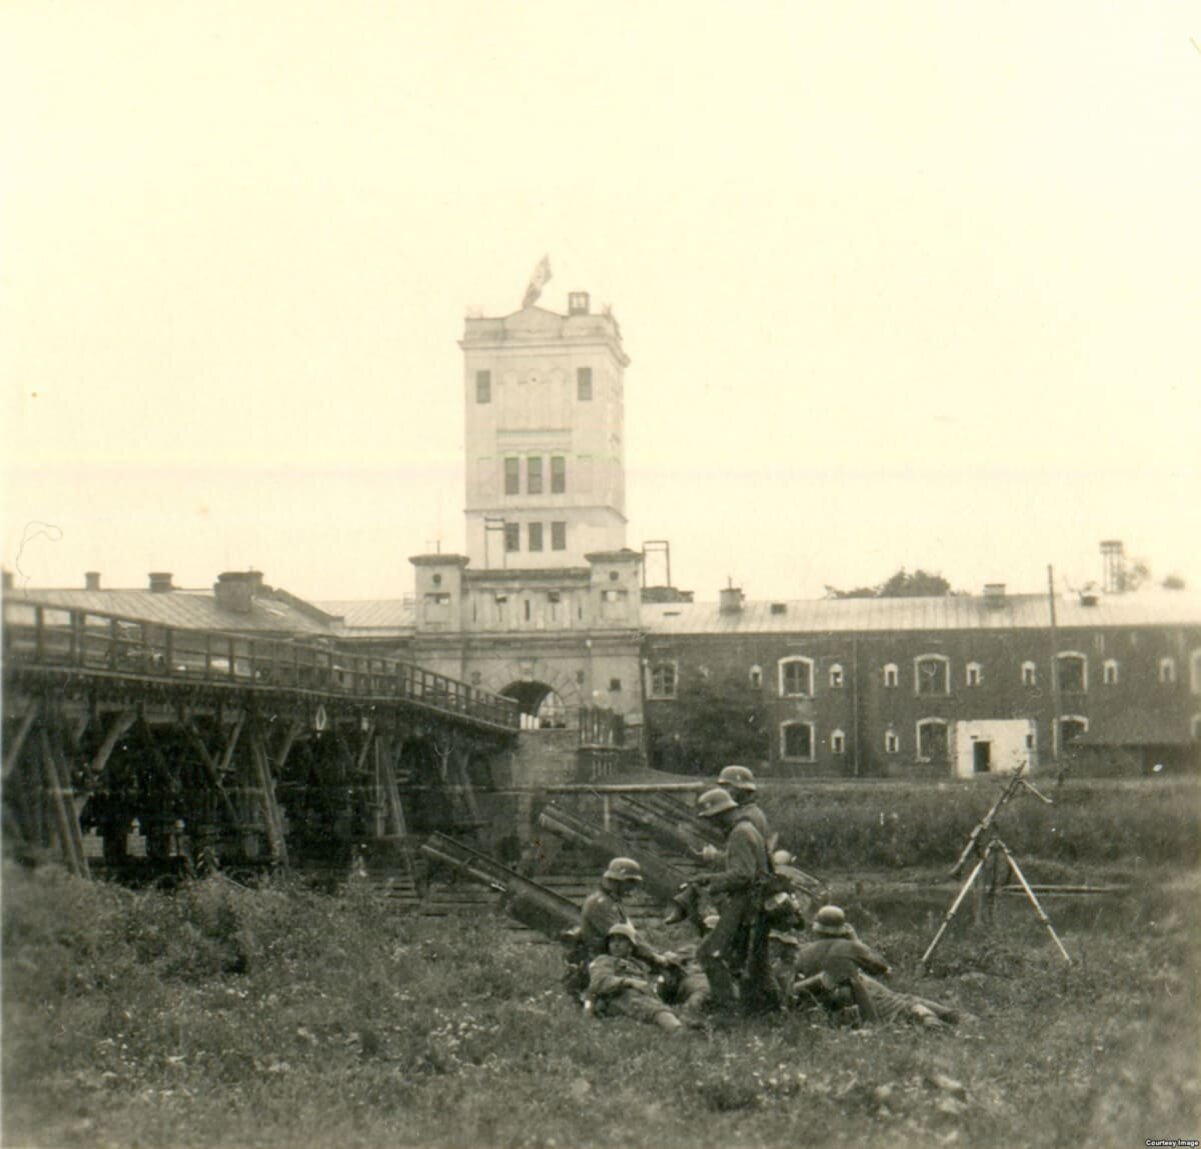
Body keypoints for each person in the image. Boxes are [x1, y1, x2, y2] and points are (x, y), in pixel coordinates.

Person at [792, 906, 960, 1028]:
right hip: (855, 1001)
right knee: (904, 1000)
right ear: (842, 928)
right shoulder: (849, 946)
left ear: (817, 929)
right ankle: (943, 1018)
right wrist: (855, 940)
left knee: (898, 998)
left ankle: (944, 1018)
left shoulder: (802, 951)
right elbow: (881, 967)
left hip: (824, 1004)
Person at [691, 787, 780, 1013]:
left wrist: (710, 880)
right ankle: (773, 1010)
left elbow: (743, 874)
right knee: (756, 963)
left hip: (745, 903)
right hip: (756, 904)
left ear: (721, 814)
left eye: (713, 818)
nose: (712, 824)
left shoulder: (739, 833)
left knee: (709, 953)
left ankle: (726, 1009)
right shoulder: (748, 828)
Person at [564, 857, 671, 999]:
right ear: (618, 882)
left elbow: (632, 934)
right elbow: (624, 936)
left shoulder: (612, 902)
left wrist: (653, 952)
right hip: (600, 962)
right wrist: (653, 956)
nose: (632, 888)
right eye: (630, 883)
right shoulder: (600, 904)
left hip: (613, 958)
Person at [586, 924, 684, 1035]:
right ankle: (678, 1031)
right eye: (612, 941)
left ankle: (680, 1027)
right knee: (653, 1010)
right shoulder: (604, 960)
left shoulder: (637, 964)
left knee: (660, 1008)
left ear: (630, 946)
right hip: (615, 997)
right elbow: (599, 982)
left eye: (621, 940)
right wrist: (629, 982)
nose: (616, 944)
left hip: (638, 999)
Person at [716, 764, 771, 842]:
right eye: (723, 787)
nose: (724, 792)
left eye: (728, 787)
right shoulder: (750, 811)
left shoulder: (748, 816)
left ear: (742, 789)